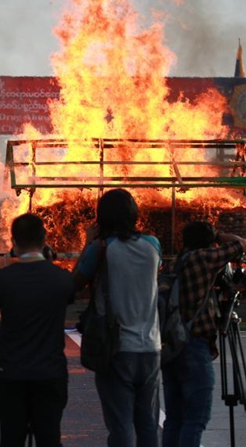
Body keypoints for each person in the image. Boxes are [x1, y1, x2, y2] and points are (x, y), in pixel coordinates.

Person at [73, 188, 161, 447]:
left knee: (121, 424)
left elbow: (74, 283)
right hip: (151, 347)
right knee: (148, 424)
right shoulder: (153, 245)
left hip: (116, 348)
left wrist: (88, 243)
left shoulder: (101, 249)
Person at [161, 221, 246, 447]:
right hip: (194, 346)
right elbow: (243, 244)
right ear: (209, 243)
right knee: (196, 418)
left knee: (174, 419)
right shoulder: (203, 258)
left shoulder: (174, 264)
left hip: (171, 345)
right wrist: (219, 235)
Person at [0, 213, 75, 447]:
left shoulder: (1, 279)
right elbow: (69, 295)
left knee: (11, 438)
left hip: (11, 372)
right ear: (45, 240)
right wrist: (49, 263)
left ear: (13, 242)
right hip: (50, 371)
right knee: (49, 438)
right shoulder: (61, 279)